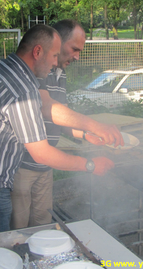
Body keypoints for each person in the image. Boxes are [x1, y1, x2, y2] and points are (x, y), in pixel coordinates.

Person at [0, 24, 115, 236]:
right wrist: (89, 165)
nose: (55, 62)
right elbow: (41, 153)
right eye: (53, 55)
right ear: (37, 52)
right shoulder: (23, 91)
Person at [11, 20, 124, 230]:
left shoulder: (60, 74)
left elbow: (60, 119)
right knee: (18, 230)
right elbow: (47, 107)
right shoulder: (37, 69)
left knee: (43, 226)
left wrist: (85, 134)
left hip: (48, 164)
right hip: (22, 166)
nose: (77, 56)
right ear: (57, 42)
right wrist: (96, 125)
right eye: (74, 49)